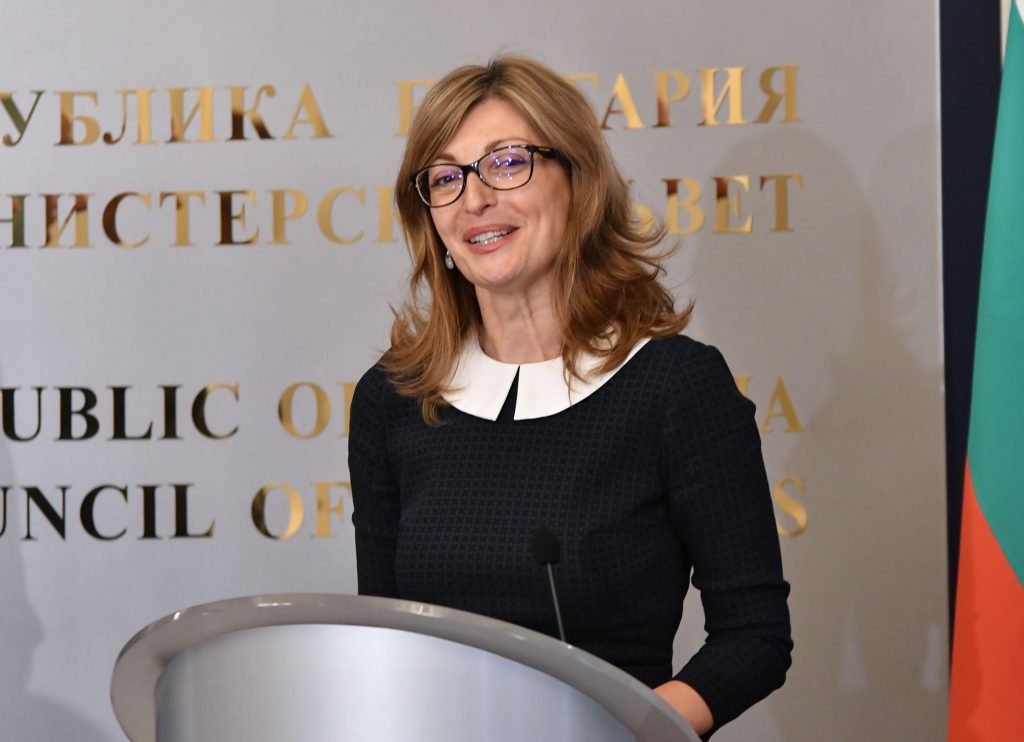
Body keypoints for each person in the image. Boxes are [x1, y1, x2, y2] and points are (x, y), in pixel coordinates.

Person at [348, 54, 791, 739]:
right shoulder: (394, 398)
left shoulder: (675, 387)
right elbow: (385, 642)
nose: (473, 200)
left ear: (577, 183)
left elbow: (754, 635)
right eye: (445, 178)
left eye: (506, 163)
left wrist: (627, 730)